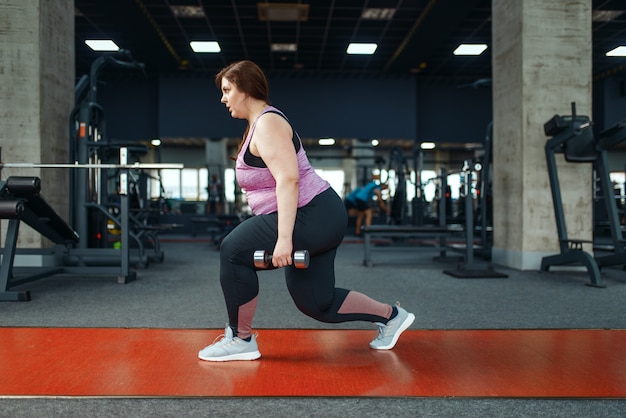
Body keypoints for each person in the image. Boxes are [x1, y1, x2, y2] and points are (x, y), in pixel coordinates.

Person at [198, 60, 415, 362]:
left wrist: (284, 239)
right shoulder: (257, 126)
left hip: (311, 213)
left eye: (227, 90)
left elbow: (289, 179)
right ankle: (392, 316)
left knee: (233, 250)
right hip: (319, 215)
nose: (223, 98)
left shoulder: (268, 123)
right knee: (317, 303)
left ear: (246, 89)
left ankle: (241, 339)